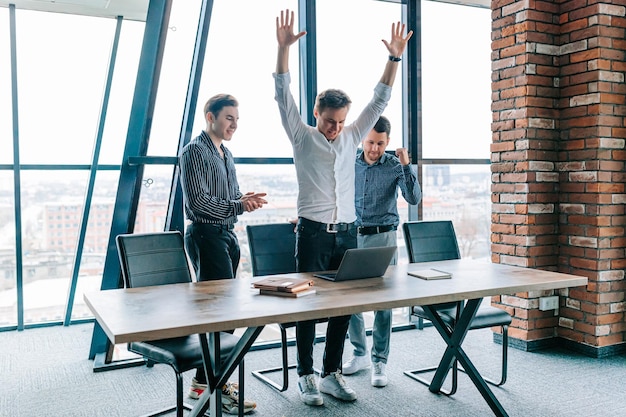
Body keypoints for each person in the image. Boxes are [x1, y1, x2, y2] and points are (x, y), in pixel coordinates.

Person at [273, 9, 412, 406]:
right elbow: (283, 93)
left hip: (347, 233)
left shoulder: (352, 136)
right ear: (317, 113)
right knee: (306, 308)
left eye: (340, 122)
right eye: (329, 120)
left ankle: (331, 372)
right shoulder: (302, 136)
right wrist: (283, 50)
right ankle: (305, 375)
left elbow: (380, 98)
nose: (334, 128)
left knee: (342, 306)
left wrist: (394, 58)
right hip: (313, 232)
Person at [179, 93, 267, 415]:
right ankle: (208, 384)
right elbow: (198, 204)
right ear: (210, 117)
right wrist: (238, 205)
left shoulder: (225, 154)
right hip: (206, 235)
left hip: (227, 236)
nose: (234, 124)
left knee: (226, 313)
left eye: (237, 119)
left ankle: (206, 381)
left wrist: (244, 200)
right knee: (219, 313)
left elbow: (228, 198)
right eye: (229, 118)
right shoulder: (194, 152)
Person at [342, 115, 422, 387]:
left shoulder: (393, 165)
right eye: (370, 142)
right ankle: (360, 353)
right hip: (352, 236)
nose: (374, 149)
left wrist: (406, 166)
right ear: (363, 138)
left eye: (380, 143)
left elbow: (413, 198)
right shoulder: (349, 160)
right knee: (350, 300)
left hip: (383, 238)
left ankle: (380, 361)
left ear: (388, 142)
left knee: (383, 303)